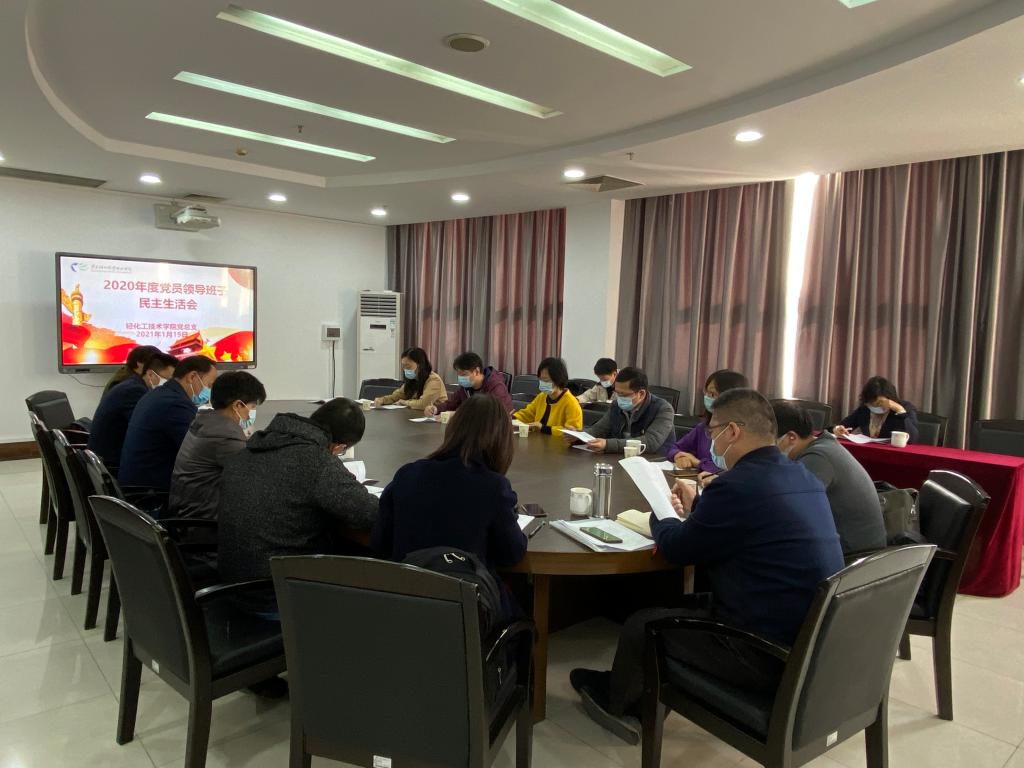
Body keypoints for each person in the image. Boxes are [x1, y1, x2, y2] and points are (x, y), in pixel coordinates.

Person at [570, 389, 843, 744]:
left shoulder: (737, 485)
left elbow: (677, 548)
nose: (710, 441)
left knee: (643, 625)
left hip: (762, 652)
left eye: (713, 431)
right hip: (811, 641)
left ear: (733, 431)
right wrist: (700, 504)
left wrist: (660, 513)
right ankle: (636, 693)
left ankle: (618, 703)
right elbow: (748, 524)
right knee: (675, 604)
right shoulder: (801, 477)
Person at [217, 398, 379, 589]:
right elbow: (370, 513)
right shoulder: (318, 462)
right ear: (338, 446)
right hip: (277, 591)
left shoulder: (254, 446)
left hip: (230, 583)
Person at [372, 395, 527, 574]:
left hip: (407, 588)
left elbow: (380, 543)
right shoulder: (494, 487)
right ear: (501, 440)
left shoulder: (407, 474)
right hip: (465, 590)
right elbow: (512, 555)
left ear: (454, 428)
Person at [774, 402, 887, 555]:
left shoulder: (817, 458)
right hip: (856, 546)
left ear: (791, 437)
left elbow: (790, 510)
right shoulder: (823, 445)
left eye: (770, 442)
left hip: (856, 554)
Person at [168, 371, 267, 520]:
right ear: (238, 405)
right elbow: (255, 477)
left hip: (186, 511)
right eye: (252, 406)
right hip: (204, 522)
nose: (252, 413)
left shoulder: (205, 422)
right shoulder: (225, 436)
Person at [117, 355, 218, 494]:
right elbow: (199, 453)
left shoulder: (159, 394)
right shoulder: (175, 404)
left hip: (137, 483)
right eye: (209, 385)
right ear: (192, 377)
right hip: (152, 493)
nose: (209, 391)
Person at [88, 352, 177, 470]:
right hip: (112, 464)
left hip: (107, 458)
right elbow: (149, 429)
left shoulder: (134, 384)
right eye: (169, 381)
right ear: (150, 374)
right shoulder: (135, 391)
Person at [567, 366, 675, 455]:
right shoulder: (616, 405)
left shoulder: (663, 409)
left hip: (654, 462)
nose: (619, 398)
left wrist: (608, 445)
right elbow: (599, 429)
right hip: (622, 458)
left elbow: (650, 442)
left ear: (641, 393)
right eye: (617, 393)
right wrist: (578, 436)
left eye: (623, 394)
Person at [667, 369, 749, 473]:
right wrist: (679, 456)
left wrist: (698, 463)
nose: (706, 397)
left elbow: (736, 471)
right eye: (706, 393)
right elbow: (674, 448)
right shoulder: (703, 427)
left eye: (712, 394)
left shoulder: (746, 435)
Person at [424, 351, 513, 415]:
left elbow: (495, 414)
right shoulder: (466, 387)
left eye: (464, 374)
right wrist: (436, 409)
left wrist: (458, 415)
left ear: (477, 371)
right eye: (459, 374)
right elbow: (451, 403)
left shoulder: (496, 386)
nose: (460, 378)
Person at [512, 357, 583, 436]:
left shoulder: (571, 403)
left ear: (558, 380)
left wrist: (543, 428)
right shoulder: (542, 396)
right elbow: (527, 414)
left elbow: (573, 432)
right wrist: (511, 418)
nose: (542, 383)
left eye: (546, 380)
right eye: (540, 380)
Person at [835, 376, 919, 443]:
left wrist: (900, 411)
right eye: (871, 403)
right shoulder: (864, 409)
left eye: (880, 403)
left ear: (890, 399)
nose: (875, 406)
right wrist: (838, 429)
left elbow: (913, 438)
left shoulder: (905, 408)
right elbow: (843, 425)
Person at [372, 347, 447, 410]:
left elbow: (424, 404)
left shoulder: (433, 380)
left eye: (408, 366)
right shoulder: (413, 379)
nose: (405, 369)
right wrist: (382, 400)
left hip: (435, 418)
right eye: (403, 366)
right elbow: (397, 396)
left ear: (420, 365)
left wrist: (405, 402)